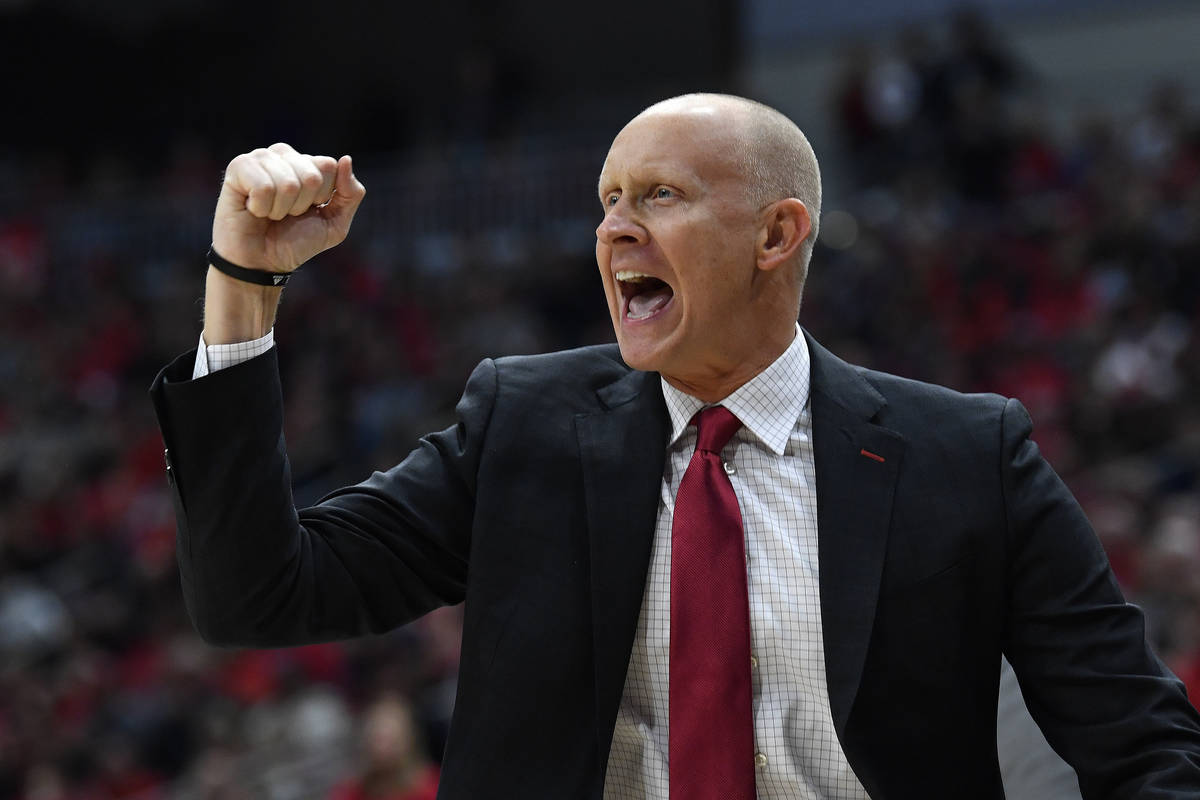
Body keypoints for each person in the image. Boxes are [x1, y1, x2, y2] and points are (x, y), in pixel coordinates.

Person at [150, 94, 1200, 798]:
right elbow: (256, 594)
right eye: (608, 200)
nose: (613, 229)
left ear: (776, 234)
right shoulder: (521, 421)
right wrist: (243, 283)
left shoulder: (969, 454)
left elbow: (1147, 749)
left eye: (659, 195)